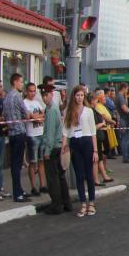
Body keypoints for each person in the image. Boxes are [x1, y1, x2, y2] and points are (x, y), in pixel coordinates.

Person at [62, 85, 98, 217]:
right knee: (79, 174)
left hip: (87, 141)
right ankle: (83, 203)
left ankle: (91, 203)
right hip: (74, 143)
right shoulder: (68, 111)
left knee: (89, 174)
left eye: (82, 95)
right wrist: (64, 145)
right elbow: (65, 129)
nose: (79, 98)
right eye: (77, 95)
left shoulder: (88, 111)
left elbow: (93, 131)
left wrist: (95, 151)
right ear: (73, 96)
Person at [39, 83, 71, 215]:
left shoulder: (51, 110)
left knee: (53, 179)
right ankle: (66, 203)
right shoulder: (55, 108)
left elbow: (50, 133)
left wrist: (47, 151)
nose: (44, 98)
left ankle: (56, 205)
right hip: (58, 146)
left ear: (50, 95)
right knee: (61, 177)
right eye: (43, 95)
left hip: (52, 148)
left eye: (45, 95)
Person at [3, 72, 32, 202]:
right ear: (15, 82)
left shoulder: (7, 96)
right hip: (19, 132)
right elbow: (26, 114)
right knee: (17, 165)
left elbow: (4, 114)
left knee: (15, 164)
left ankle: (19, 190)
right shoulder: (17, 96)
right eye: (21, 82)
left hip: (11, 133)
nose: (22, 84)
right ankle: (17, 193)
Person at [23, 82, 46, 197]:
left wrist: (36, 117)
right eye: (31, 91)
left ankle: (42, 185)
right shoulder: (24, 103)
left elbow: (43, 115)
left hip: (41, 133)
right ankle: (33, 187)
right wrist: (36, 117)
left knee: (41, 160)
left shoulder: (37, 102)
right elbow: (30, 116)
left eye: (34, 91)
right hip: (31, 135)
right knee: (33, 161)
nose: (33, 93)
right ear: (26, 91)